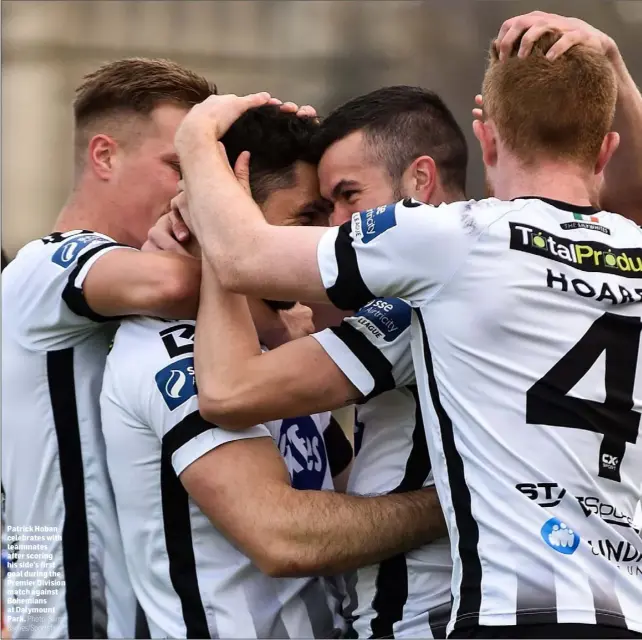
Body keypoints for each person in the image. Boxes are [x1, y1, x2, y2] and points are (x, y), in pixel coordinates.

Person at [173, 20, 642, 640]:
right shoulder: (633, 248)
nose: (335, 222)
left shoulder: (451, 244)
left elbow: (239, 275)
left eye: (345, 196)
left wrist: (197, 135)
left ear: (487, 139)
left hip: (494, 616)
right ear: (605, 149)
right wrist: (614, 67)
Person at [101, 104, 448, 639]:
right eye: (308, 218)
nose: (331, 235)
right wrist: (458, 498)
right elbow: (285, 538)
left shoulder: (270, 343)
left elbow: (342, 486)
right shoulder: (167, 352)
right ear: (225, 214)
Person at [1, 57, 217, 639]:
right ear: (104, 155)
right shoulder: (45, 264)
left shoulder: (129, 286)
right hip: (72, 623)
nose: (194, 190)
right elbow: (174, 285)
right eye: (180, 165)